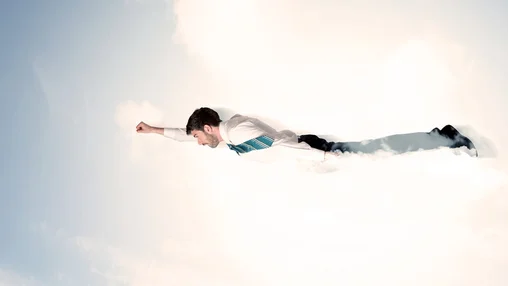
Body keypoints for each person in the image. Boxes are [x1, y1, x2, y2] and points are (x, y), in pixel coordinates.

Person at [135, 107, 477, 163]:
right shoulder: (224, 131)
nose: (195, 141)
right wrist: (153, 130)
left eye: (197, 136)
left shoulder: (237, 133)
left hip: (311, 150)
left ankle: (444, 137)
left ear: (207, 129)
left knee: (379, 151)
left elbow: (283, 146)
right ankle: (439, 138)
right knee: (379, 152)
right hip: (310, 153)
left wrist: (324, 157)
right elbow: (183, 133)